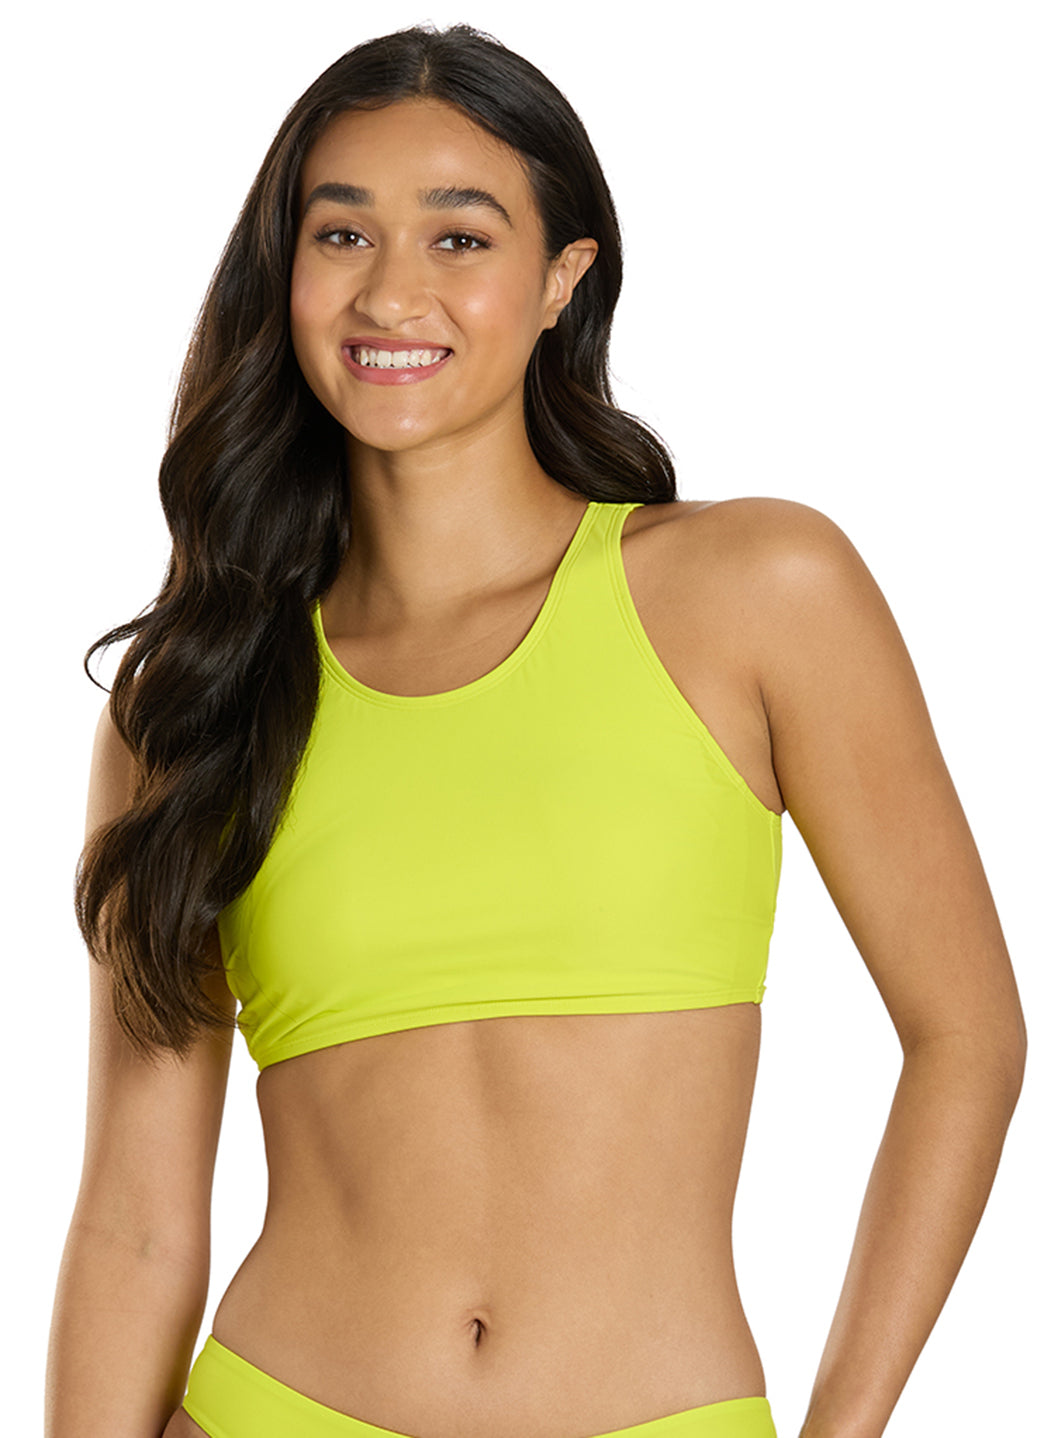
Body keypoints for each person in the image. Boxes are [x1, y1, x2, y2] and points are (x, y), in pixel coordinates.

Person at [45, 22, 1025, 1438]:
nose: (393, 291)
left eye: (460, 239)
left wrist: (843, 1428)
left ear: (564, 278)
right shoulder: (193, 700)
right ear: (285, 272)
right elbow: (134, 1218)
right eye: (341, 235)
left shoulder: (757, 593)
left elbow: (966, 1036)